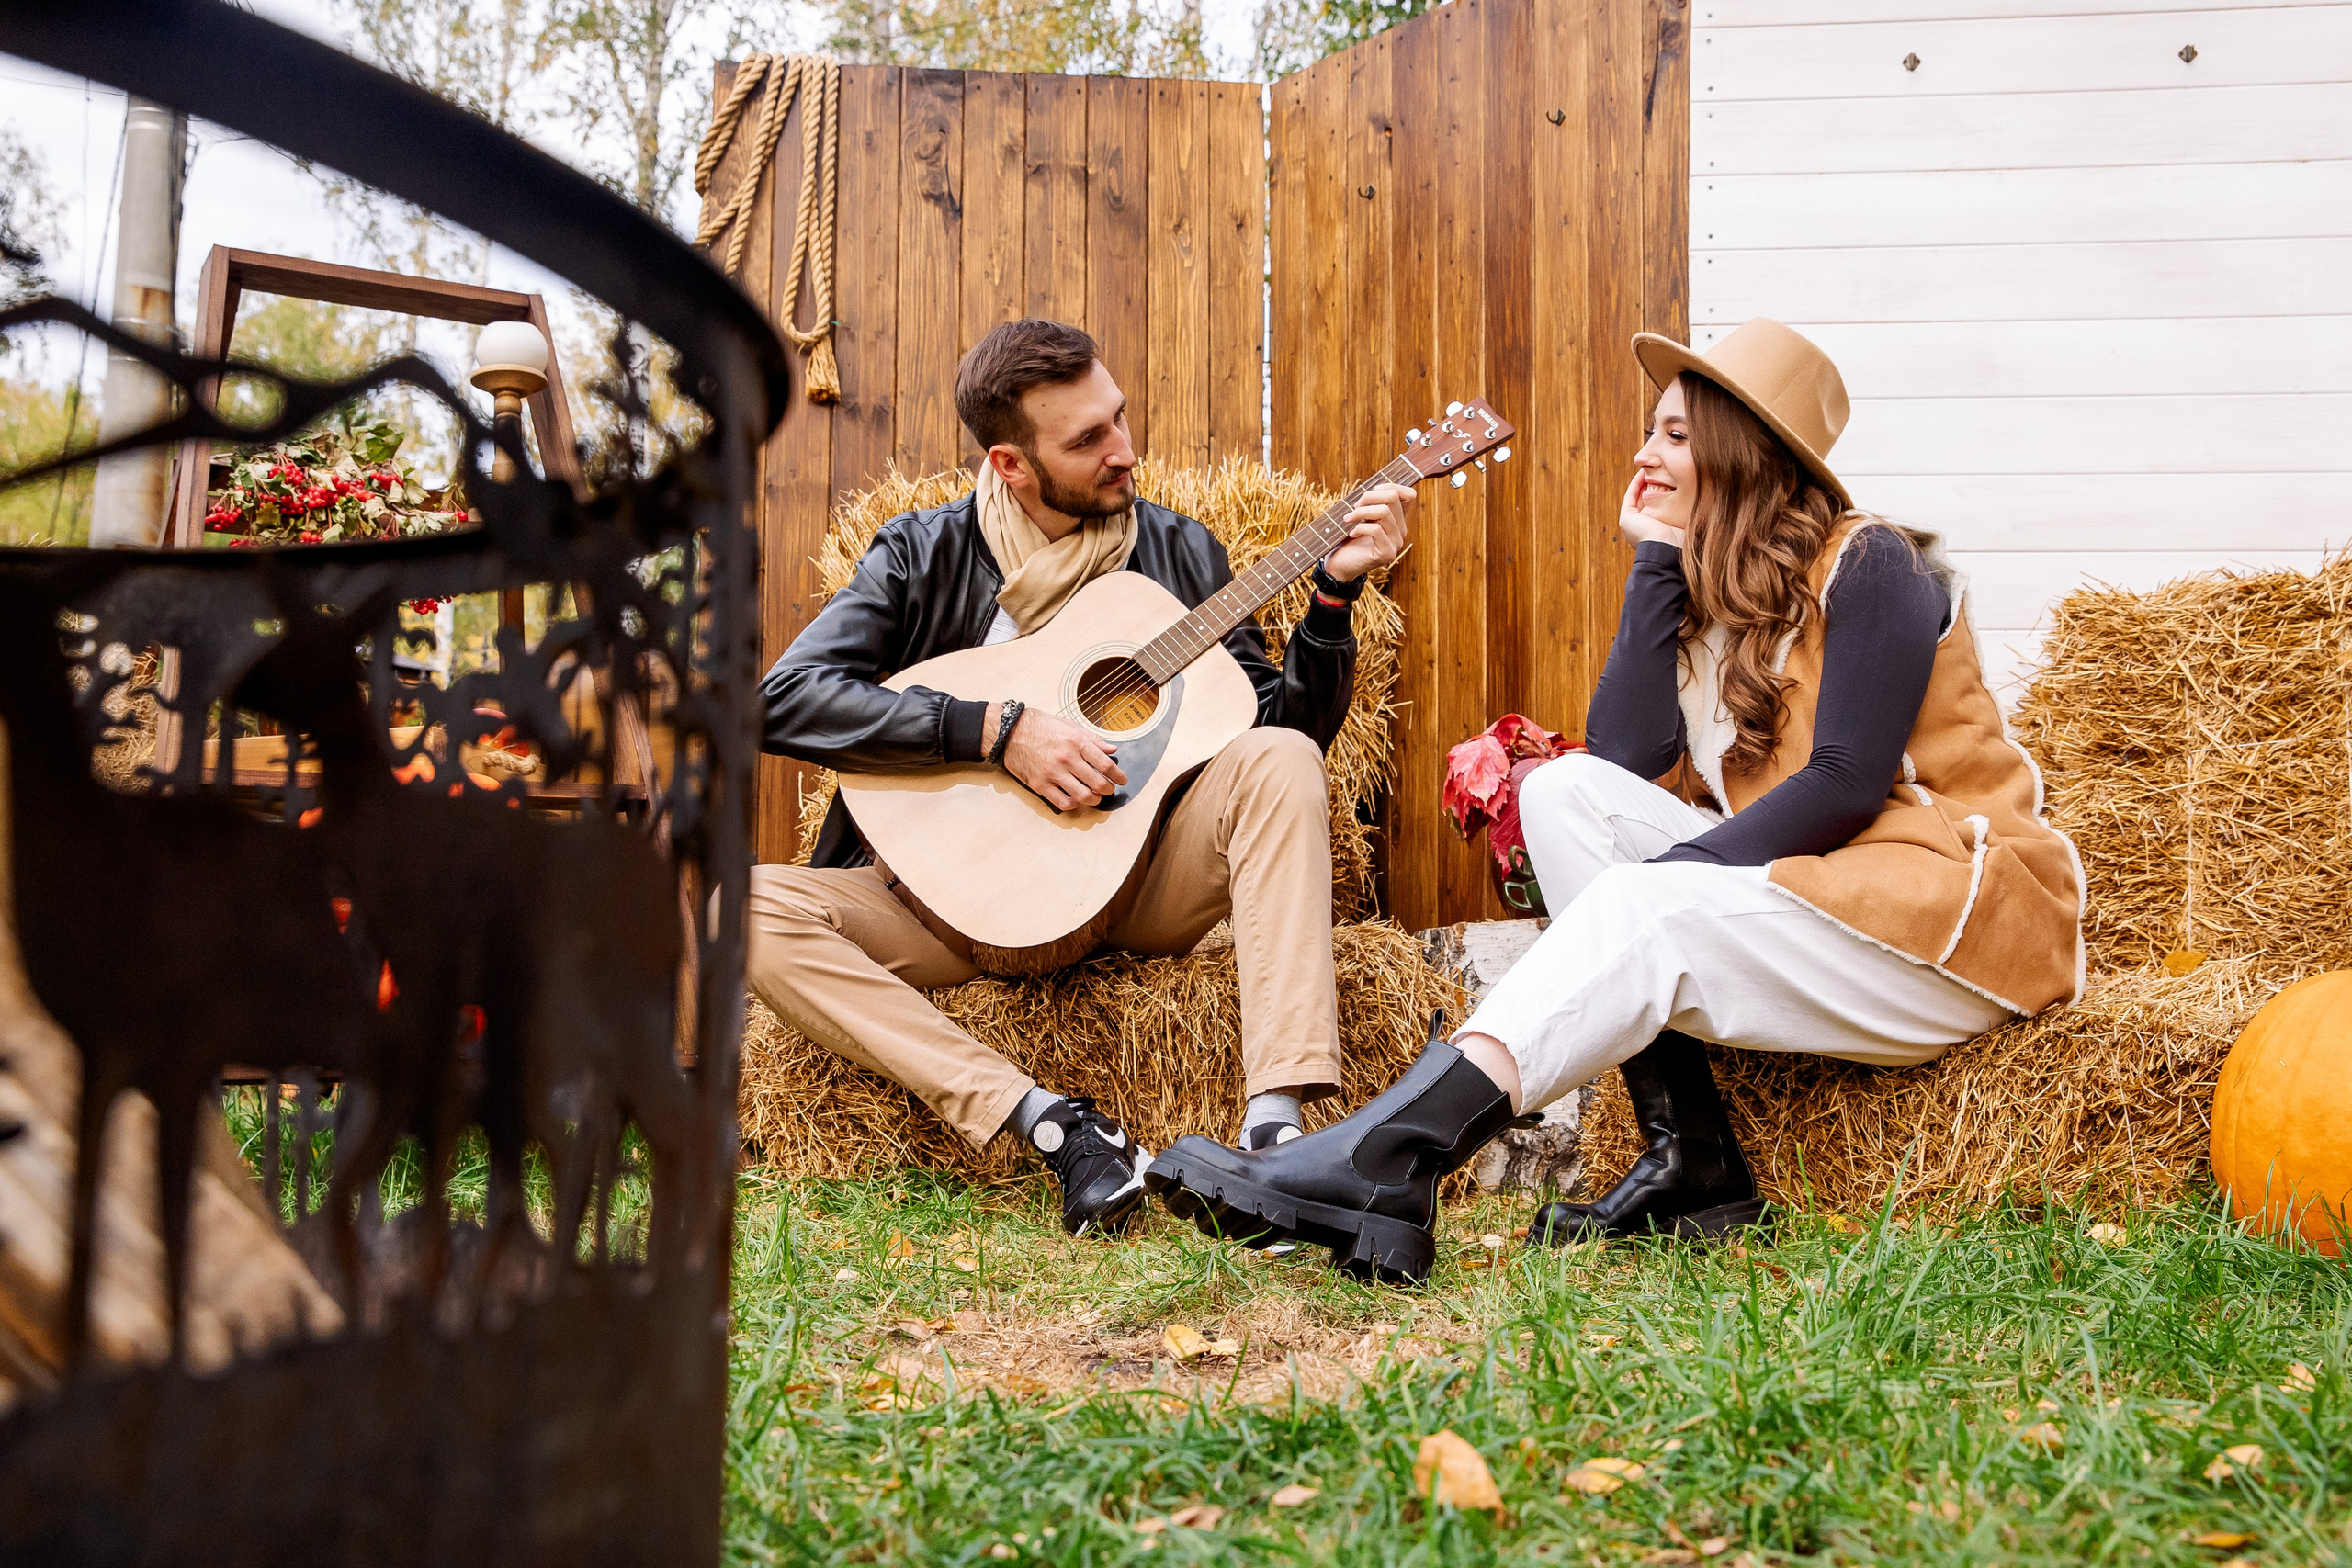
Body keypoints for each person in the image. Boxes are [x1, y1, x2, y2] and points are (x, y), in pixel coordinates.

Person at [1146, 317, 2085, 1283]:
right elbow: (1629, 758)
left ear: (1742, 448)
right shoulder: (1709, 593)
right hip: (1834, 901)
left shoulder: (1869, 560)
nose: (1644, 452)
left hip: (1952, 917)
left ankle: (1391, 1160)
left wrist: (1661, 885)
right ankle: (1693, 1162)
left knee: (1642, 896)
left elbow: (1844, 784)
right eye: (1651, 431)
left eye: (1675, 434)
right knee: (1561, 793)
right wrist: (1652, 562)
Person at [750, 318, 1413, 1235]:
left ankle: (1277, 1144)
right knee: (738, 910)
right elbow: (783, 702)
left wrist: (1333, 599)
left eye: (1120, 419)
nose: (1124, 452)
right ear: (1011, 464)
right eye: (1088, 439)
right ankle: (1051, 1125)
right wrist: (995, 730)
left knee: (1280, 758)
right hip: (944, 905)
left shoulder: (1182, 554)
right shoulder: (918, 554)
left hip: (1135, 882)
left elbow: (1282, 735)